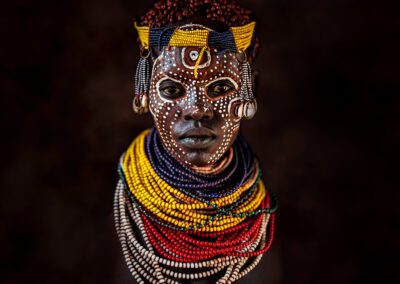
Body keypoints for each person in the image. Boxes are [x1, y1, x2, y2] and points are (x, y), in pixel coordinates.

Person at [113, 0, 278, 283]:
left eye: (221, 87)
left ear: (251, 92)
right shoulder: (124, 215)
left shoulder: (260, 219)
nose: (196, 109)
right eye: (172, 89)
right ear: (146, 94)